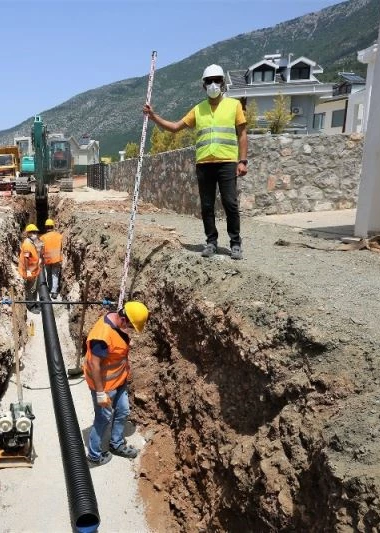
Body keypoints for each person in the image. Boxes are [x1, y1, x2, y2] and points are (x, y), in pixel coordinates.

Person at [143, 64, 248, 260]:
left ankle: (235, 243)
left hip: (227, 162)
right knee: (206, 205)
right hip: (204, 164)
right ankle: (211, 242)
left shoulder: (234, 105)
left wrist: (243, 161)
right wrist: (153, 116)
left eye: (217, 80)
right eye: (209, 81)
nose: (213, 84)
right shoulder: (198, 109)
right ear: (203, 85)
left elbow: (242, 134)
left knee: (230, 203)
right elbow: (175, 127)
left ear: (223, 83)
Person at [82, 300, 149, 466]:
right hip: (104, 386)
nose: (131, 330)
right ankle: (94, 456)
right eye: (131, 327)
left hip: (119, 382)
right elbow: (94, 364)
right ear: (124, 320)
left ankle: (116, 444)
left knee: (123, 411)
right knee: (103, 418)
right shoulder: (102, 337)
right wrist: (100, 393)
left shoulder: (116, 322)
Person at [18, 223, 43, 313]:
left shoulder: (31, 242)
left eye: (35, 232)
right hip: (30, 272)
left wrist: (38, 260)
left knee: (34, 289)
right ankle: (31, 306)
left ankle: (34, 303)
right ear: (28, 233)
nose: (35, 234)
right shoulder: (27, 245)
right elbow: (26, 259)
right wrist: (28, 270)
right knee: (31, 290)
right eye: (33, 232)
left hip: (34, 270)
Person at [39, 218, 63, 299]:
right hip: (56, 258)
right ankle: (54, 292)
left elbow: (41, 249)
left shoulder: (43, 237)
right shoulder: (59, 236)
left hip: (47, 259)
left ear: (46, 227)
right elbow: (62, 247)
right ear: (53, 226)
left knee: (48, 274)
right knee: (55, 275)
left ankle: (49, 288)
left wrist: (41, 258)